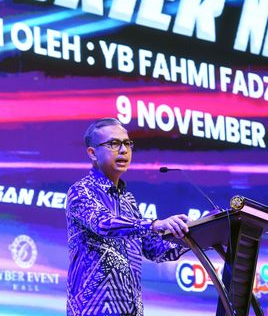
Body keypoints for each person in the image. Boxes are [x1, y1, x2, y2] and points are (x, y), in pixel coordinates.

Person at [66, 118, 190, 316]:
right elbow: (103, 224)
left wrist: (199, 233)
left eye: (127, 143)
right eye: (114, 143)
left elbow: (155, 250)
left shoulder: (128, 200)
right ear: (92, 153)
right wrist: (154, 224)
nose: (123, 150)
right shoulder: (81, 191)